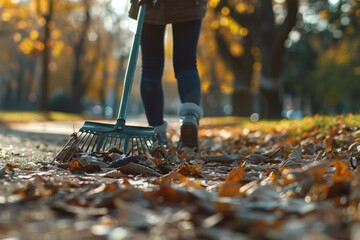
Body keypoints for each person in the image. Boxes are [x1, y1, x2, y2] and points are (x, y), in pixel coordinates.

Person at [128, 0, 207, 150]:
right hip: (188, 6)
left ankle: (157, 134)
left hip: (150, 6)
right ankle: (190, 116)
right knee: (187, 64)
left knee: (151, 70)